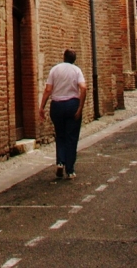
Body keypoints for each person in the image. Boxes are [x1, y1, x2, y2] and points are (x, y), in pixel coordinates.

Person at [38, 48, 87, 179]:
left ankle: (60, 162)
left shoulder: (55, 69)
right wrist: (80, 107)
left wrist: (41, 107)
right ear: (74, 59)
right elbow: (83, 87)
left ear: (64, 57)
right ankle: (70, 170)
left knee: (60, 135)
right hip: (72, 104)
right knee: (71, 137)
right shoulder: (77, 70)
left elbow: (48, 90)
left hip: (57, 105)